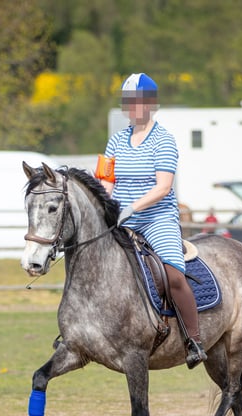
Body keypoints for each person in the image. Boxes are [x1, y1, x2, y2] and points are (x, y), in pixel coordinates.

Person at [97, 72, 207, 368]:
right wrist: (104, 206)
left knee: (173, 275)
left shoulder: (164, 140)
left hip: (157, 218)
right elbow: (105, 181)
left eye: (136, 102)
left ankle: (193, 340)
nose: (131, 107)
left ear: (149, 105)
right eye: (127, 102)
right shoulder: (115, 141)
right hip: (123, 217)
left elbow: (163, 187)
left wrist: (132, 207)